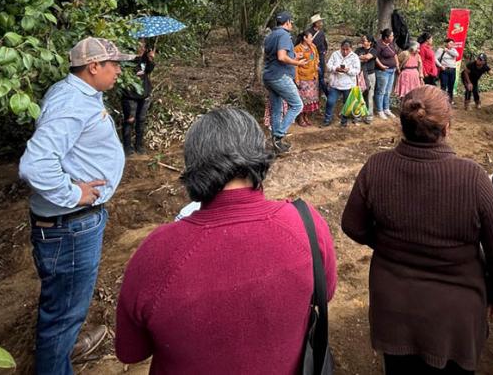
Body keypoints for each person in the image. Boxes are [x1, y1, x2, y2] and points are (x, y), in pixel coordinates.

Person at [115, 109, 337, 373]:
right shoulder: (304, 223)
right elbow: (327, 291)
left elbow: (130, 351)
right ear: (259, 157)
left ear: (193, 165)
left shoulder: (157, 252)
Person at [342, 85, 493, 375]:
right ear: (447, 127)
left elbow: (351, 224)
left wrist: (388, 244)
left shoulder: (376, 167)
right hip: (455, 318)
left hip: (394, 310)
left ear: (402, 125)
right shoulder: (472, 177)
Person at [19, 37, 135, 375]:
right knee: (63, 314)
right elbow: (35, 165)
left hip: (72, 224)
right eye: (113, 64)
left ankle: (65, 348)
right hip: (70, 226)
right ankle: (56, 361)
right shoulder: (71, 102)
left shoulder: (81, 94)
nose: (118, 70)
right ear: (93, 66)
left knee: (65, 305)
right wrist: (75, 194)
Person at [263, 11, 309, 155]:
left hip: (269, 76)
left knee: (277, 109)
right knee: (297, 104)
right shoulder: (283, 34)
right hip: (280, 76)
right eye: (291, 22)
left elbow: (273, 55)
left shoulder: (271, 35)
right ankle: (279, 135)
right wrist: (297, 62)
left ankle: (277, 144)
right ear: (287, 22)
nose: (292, 25)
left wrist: (294, 55)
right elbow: (281, 57)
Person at [121, 40, 155, 155]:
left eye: (143, 45)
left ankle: (139, 145)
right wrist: (137, 57)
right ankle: (127, 147)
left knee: (141, 120)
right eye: (139, 44)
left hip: (144, 94)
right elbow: (126, 72)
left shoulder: (145, 57)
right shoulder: (127, 57)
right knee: (129, 120)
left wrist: (150, 59)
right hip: (130, 94)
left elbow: (148, 71)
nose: (142, 47)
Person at [323, 40, 361, 127]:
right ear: (341, 48)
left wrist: (348, 70)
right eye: (343, 49)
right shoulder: (335, 54)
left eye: (347, 49)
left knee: (346, 104)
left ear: (351, 49)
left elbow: (357, 71)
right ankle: (327, 119)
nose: (345, 51)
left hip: (348, 85)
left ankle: (344, 121)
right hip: (335, 83)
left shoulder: (355, 57)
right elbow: (328, 66)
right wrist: (336, 68)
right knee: (330, 101)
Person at [294, 29, 320, 127]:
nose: (312, 39)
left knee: (310, 99)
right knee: (302, 99)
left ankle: (306, 116)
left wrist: (316, 62)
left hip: (312, 77)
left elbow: (316, 57)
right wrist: (296, 78)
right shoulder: (297, 49)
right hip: (302, 78)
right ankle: (300, 118)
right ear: (305, 38)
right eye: (310, 37)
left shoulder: (313, 47)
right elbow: (295, 65)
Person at [374, 28, 399, 120]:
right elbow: (375, 56)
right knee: (381, 91)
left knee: (388, 91)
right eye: (391, 36)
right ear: (386, 37)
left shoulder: (391, 43)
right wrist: (381, 66)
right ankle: (380, 110)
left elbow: (395, 54)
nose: (393, 37)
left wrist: (397, 64)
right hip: (383, 71)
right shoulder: (378, 44)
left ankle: (386, 108)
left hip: (392, 70)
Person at [355, 34, 379, 123]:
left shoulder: (374, 50)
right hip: (360, 75)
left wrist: (361, 58)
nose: (363, 41)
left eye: (365, 40)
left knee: (369, 95)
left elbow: (367, 57)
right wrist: (362, 58)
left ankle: (369, 116)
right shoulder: (358, 50)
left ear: (370, 42)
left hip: (370, 75)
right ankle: (357, 116)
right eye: (362, 40)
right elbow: (354, 58)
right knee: (359, 95)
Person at [435, 38, 459, 103]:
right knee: (443, 86)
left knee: (451, 86)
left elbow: (457, 55)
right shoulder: (441, 50)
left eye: (453, 44)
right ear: (446, 43)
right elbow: (435, 58)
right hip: (444, 70)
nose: (451, 45)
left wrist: (448, 51)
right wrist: (440, 66)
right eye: (450, 43)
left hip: (452, 70)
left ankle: (450, 100)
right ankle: (442, 101)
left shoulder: (453, 50)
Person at [310, 13, 328, 96]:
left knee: (322, 72)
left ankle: (320, 93)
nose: (321, 23)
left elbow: (324, 43)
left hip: (321, 55)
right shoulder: (308, 32)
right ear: (316, 23)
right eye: (320, 22)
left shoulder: (321, 32)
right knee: (313, 72)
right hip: (312, 55)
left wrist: (324, 51)